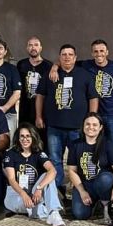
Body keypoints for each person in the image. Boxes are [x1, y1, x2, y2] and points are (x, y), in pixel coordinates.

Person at [36, 44, 99, 198]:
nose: (67, 57)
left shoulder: (84, 75)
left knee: (78, 161)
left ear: (75, 57)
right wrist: (38, 116)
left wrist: (92, 118)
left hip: (77, 128)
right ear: (59, 57)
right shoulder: (49, 75)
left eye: (70, 54)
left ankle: (79, 191)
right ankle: (56, 192)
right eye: (64, 54)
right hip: (54, 127)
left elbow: (93, 97)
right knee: (55, 160)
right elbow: (40, 96)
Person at [49, 40, 113, 145]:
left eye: (102, 51)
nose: (99, 54)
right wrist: (54, 67)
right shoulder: (86, 65)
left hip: (111, 113)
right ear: (92, 53)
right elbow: (67, 60)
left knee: (112, 143)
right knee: (92, 144)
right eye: (95, 51)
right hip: (92, 112)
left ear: (107, 52)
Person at [3, 124, 65, 226]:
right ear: (18, 138)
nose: (25, 139)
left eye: (28, 136)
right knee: (31, 206)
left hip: (33, 191)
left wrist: (39, 188)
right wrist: (24, 195)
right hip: (16, 194)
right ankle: (51, 209)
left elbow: (52, 171)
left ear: (33, 137)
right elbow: (11, 179)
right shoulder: (10, 153)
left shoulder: (38, 153)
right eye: (22, 136)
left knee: (48, 175)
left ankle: (53, 213)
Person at [67, 113, 113, 222]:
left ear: (100, 127)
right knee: (80, 214)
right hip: (85, 184)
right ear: (83, 126)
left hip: (104, 184)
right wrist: (82, 191)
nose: (91, 127)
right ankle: (95, 205)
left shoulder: (108, 144)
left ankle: (105, 204)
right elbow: (72, 171)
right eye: (87, 124)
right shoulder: (75, 145)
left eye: (94, 125)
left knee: (105, 179)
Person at [17, 37, 52, 125]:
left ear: (41, 48)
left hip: (43, 109)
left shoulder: (48, 66)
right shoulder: (21, 64)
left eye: (36, 45)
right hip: (25, 108)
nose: (33, 48)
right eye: (30, 45)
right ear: (27, 48)